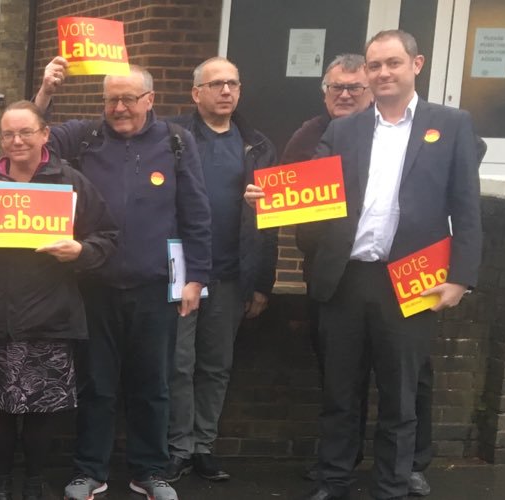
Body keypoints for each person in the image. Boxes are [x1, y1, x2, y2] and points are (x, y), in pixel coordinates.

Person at [274, 30, 481, 500]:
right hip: (345, 277)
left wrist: (462, 277)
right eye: (374, 65)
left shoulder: (451, 124)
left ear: (416, 64)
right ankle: (333, 481)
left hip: (411, 280)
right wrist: (274, 194)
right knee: (339, 393)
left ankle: (391, 485)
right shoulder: (345, 128)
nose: (383, 72)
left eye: (392, 63)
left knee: (400, 396)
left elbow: (467, 207)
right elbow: (313, 182)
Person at [36, 61, 212, 500]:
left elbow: (196, 213)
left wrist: (197, 279)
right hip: (94, 283)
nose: (118, 108)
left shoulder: (175, 141)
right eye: (111, 99)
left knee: (153, 384)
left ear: (149, 100)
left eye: (128, 99)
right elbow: (33, 137)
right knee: (95, 383)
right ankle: (89, 471)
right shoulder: (84, 137)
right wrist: (45, 90)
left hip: (156, 287)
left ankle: (150, 471)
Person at [0, 101, 118, 500]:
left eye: (26, 132)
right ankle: (1, 483)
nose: (16, 140)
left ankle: (34, 482)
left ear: (45, 134)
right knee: (0, 410)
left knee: (43, 409)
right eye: (8, 133)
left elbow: (108, 238)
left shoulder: (70, 181)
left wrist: (80, 251)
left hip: (51, 313)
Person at [163, 56, 278, 483]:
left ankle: (203, 446)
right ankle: (177, 447)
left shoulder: (259, 145)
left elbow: (273, 220)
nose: (226, 91)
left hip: (231, 273)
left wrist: (263, 281)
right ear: (196, 94)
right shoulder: (171, 136)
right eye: (216, 85)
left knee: (216, 365)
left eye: (232, 83)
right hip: (182, 270)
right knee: (178, 362)